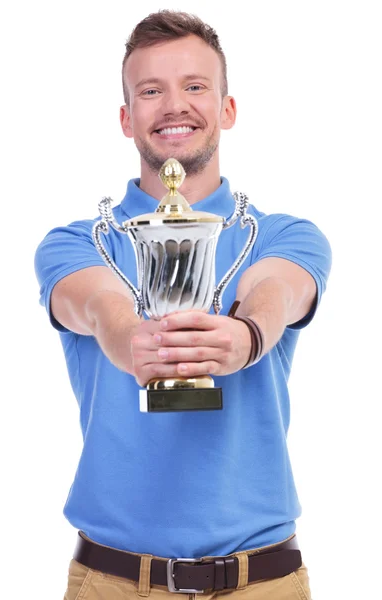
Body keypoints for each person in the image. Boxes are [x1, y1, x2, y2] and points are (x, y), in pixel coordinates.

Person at [35, 9, 332, 599]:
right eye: (152, 91)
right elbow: (97, 303)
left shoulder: (284, 235)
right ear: (126, 118)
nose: (174, 106)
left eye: (195, 86)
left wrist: (245, 337)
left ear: (227, 109)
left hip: (262, 581)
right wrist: (130, 341)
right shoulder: (75, 242)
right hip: (112, 582)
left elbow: (279, 291)